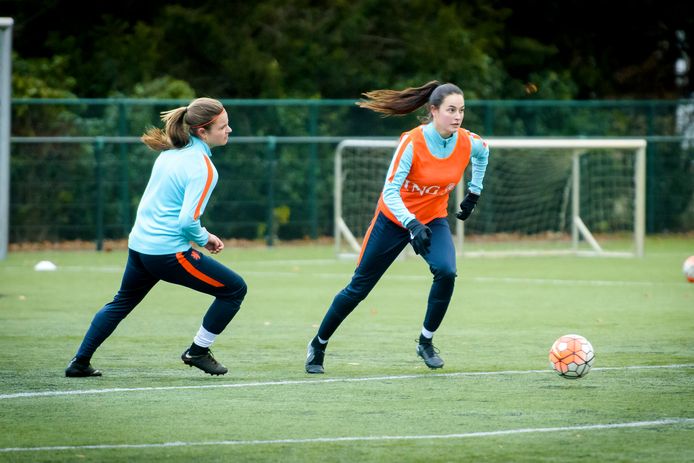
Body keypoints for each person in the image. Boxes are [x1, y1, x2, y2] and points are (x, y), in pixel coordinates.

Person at [305, 81, 489, 374]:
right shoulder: (412, 142)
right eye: (451, 110)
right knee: (358, 289)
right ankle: (319, 343)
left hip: (432, 220)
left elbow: (483, 154)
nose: (457, 116)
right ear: (433, 111)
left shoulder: (468, 141)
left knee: (447, 271)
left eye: (462, 110)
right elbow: (390, 192)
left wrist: (474, 192)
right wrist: (411, 223)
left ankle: (425, 342)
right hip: (393, 219)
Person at [65, 97, 247, 377]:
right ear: (202, 131)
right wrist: (204, 236)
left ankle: (79, 362)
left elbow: (165, 207)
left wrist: (203, 235)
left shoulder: (170, 153)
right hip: (167, 253)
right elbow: (187, 220)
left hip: (139, 247)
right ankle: (197, 351)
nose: (229, 130)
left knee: (121, 302)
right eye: (223, 126)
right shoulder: (203, 167)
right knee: (234, 289)